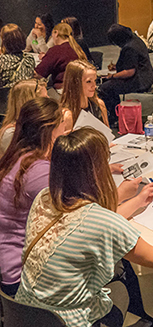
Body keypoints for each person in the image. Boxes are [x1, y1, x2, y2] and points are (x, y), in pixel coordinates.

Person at [15, 127, 153, 327]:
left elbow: (87, 221)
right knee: (122, 287)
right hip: (68, 321)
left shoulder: (44, 197)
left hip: (22, 312)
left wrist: (137, 201)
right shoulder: (102, 222)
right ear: (97, 170)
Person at [0, 97, 66, 297]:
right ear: (50, 130)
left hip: (7, 262)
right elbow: (77, 218)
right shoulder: (38, 172)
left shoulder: (16, 158)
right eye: (63, 127)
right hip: (22, 275)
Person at [98, 24, 153, 125]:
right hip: (145, 76)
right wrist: (116, 67)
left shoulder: (129, 48)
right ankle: (116, 113)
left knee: (105, 88)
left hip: (140, 81)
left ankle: (113, 116)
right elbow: (133, 63)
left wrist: (112, 76)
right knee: (110, 86)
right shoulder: (135, 40)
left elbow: (129, 72)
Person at [0, 79, 48, 157]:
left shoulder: (39, 127)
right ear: (31, 102)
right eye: (44, 98)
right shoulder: (11, 133)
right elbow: (24, 163)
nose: (49, 100)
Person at [33, 23, 87, 91]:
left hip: (63, 91)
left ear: (56, 33)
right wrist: (46, 57)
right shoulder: (77, 48)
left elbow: (37, 75)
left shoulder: (56, 50)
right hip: (80, 89)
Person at [61, 60, 109, 131]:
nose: (94, 86)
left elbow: (108, 135)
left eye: (95, 80)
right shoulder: (67, 115)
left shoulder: (99, 105)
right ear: (75, 83)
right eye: (89, 81)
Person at [0, 24, 35, 88]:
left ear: (4, 42)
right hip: (24, 96)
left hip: (4, 97)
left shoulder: (2, 61)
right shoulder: (29, 59)